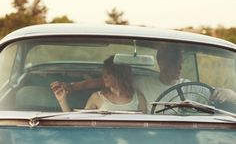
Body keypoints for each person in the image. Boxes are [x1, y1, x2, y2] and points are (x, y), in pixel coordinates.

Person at [51, 47, 236, 113]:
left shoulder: (191, 87)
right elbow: (104, 81)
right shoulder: (141, 81)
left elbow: (217, 93)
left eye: (180, 63)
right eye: (174, 62)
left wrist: (229, 94)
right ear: (161, 62)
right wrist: (72, 87)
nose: (179, 67)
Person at [51, 56, 147, 113]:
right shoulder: (97, 97)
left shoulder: (139, 99)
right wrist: (62, 100)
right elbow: (78, 125)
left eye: (108, 73)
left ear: (119, 75)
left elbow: (144, 129)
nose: (104, 76)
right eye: (103, 73)